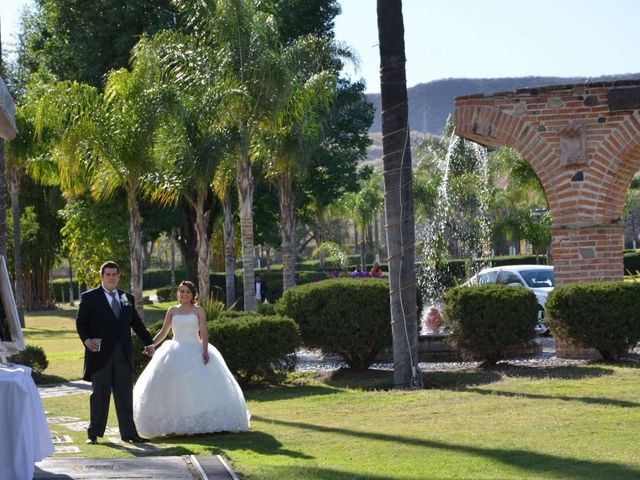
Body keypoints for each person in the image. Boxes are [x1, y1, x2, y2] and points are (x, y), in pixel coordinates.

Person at [133, 281, 250, 437]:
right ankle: (172, 426)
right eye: (181, 291)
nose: (184, 294)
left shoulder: (198, 310)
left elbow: (203, 332)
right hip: (174, 350)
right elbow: (163, 331)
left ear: (193, 295)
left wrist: (205, 351)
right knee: (173, 388)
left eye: (187, 292)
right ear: (178, 294)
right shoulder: (172, 311)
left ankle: (198, 422)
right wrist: (151, 344)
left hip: (195, 348)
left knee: (197, 387)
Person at [76, 261, 155, 445]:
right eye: (108, 274)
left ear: (118, 276)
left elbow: (136, 323)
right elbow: (81, 323)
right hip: (100, 354)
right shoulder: (89, 297)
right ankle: (93, 434)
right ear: (101, 276)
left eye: (114, 274)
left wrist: (149, 342)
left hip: (123, 355)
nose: (111, 277)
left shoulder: (127, 298)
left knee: (125, 395)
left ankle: (129, 434)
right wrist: (87, 340)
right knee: (99, 395)